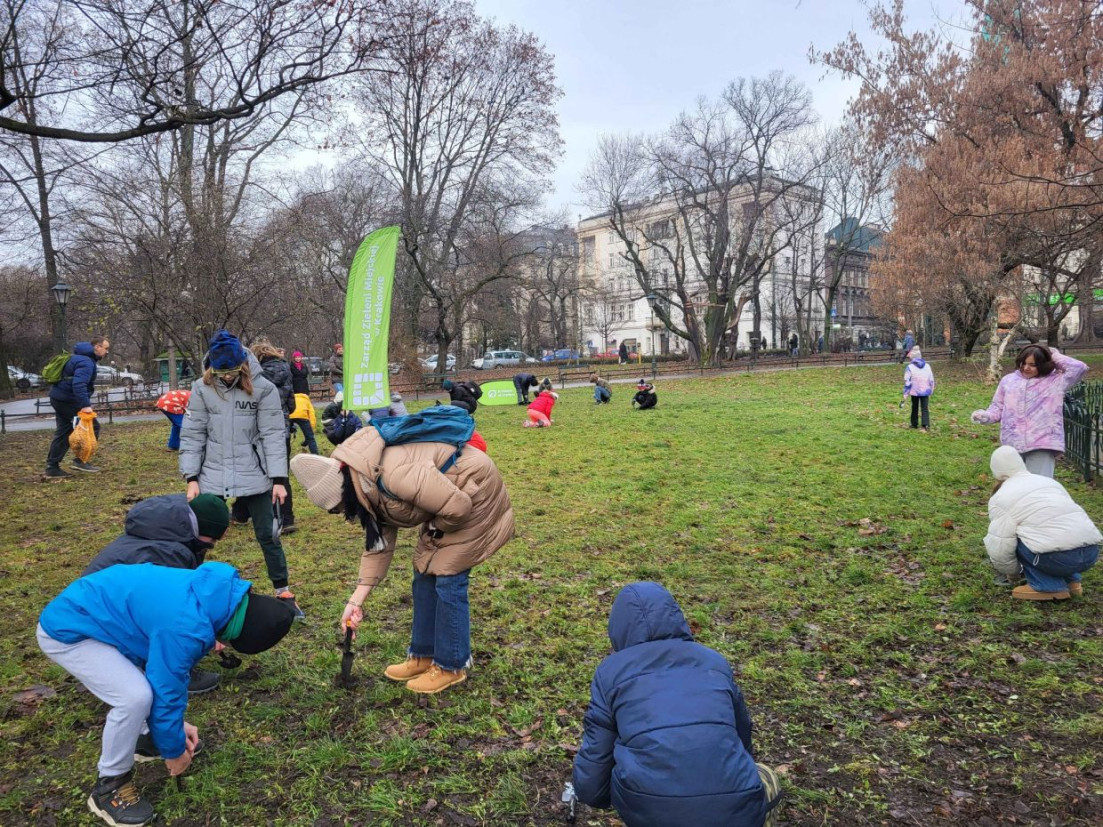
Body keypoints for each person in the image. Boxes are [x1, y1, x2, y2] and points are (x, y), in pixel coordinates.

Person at [37, 561, 294, 827]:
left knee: (144, 691)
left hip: (105, 617)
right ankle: (110, 786)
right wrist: (174, 751)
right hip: (70, 630)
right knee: (134, 697)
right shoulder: (186, 627)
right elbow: (166, 689)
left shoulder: (215, 593)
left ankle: (148, 739)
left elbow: (162, 671)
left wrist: (175, 729)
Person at [289, 424, 515, 694]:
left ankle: (451, 665)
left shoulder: (392, 474)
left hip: (475, 491)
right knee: (423, 574)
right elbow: (379, 545)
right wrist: (356, 601)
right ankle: (422, 655)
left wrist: (435, 527)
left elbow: (457, 507)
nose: (343, 514)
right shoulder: (365, 484)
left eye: (340, 508)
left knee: (447, 576)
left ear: (344, 491)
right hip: (449, 499)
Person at [573, 582, 782, 827]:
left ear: (618, 628)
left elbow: (592, 783)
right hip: (735, 807)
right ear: (675, 616)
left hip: (649, 810)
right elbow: (742, 737)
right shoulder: (714, 662)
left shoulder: (611, 672)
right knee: (767, 776)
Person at [179, 330, 304, 619]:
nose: (226, 378)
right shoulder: (201, 388)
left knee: (268, 534)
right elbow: (193, 433)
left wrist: (279, 480)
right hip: (212, 472)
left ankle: (283, 591)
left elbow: (273, 434)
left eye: (232, 373)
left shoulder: (264, 389)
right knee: (198, 535)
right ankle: (187, 593)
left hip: (255, 474)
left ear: (243, 366)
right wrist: (191, 478)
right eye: (221, 373)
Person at [82, 493, 232, 695]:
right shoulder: (168, 552)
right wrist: (204, 633)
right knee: (172, 622)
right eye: (212, 538)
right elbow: (172, 609)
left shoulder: (171, 530)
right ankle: (170, 675)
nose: (212, 543)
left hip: (103, 608)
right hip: (97, 621)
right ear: (202, 528)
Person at [984, 446, 1100, 600]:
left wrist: (1012, 573)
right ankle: (1072, 581)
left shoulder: (1001, 497)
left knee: (1020, 537)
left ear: (996, 472)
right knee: (1053, 531)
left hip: (1055, 557)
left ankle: (1047, 586)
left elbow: (1000, 543)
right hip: (1090, 552)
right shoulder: (1048, 482)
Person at [971, 345, 1089, 477]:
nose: (1026, 368)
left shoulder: (1055, 381)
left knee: (1038, 486)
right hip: (1012, 443)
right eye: (1024, 363)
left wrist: (1054, 356)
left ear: (1043, 365)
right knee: (1013, 486)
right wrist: (985, 416)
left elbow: (1079, 368)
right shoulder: (1008, 381)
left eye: (1033, 365)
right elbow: (997, 407)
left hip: (1042, 444)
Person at [45, 336, 109, 477]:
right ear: (97, 347)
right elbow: (79, 384)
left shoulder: (77, 357)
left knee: (64, 431)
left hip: (59, 398)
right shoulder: (86, 362)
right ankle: (80, 461)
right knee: (92, 427)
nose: (107, 352)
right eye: (106, 348)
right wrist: (85, 406)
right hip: (69, 402)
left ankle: (52, 467)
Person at [902, 347, 935, 431]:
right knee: (925, 407)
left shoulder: (909, 367)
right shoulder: (927, 366)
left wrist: (905, 394)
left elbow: (907, 382)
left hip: (915, 391)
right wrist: (931, 389)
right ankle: (925, 424)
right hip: (925, 390)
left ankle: (914, 424)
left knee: (914, 407)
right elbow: (931, 379)